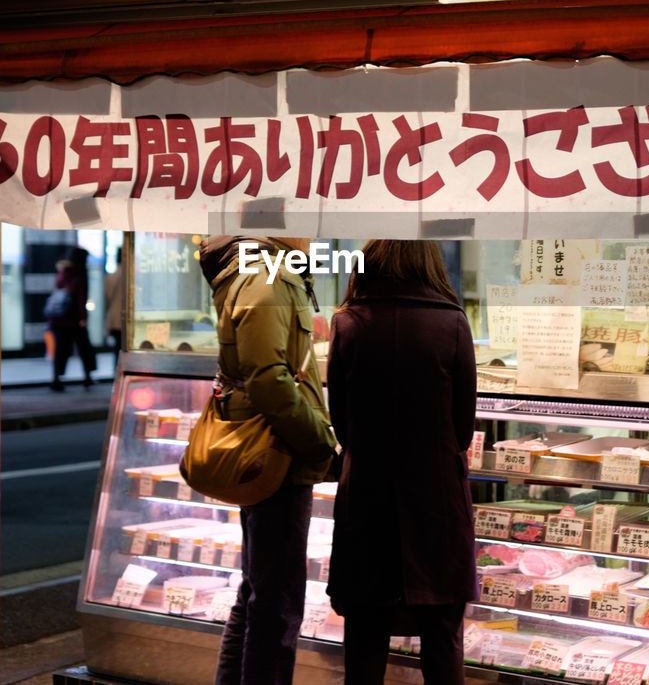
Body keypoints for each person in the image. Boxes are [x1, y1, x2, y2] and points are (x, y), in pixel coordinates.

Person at [326, 240, 477, 684]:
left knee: (365, 638)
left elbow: (342, 425)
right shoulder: (452, 323)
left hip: (367, 501)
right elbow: (462, 430)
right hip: (436, 503)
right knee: (442, 636)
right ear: (430, 263)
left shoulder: (347, 323)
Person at [197, 235, 337, 685]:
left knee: (259, 592)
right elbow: (269, 378)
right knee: (276, 602)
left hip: (272, 448)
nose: (317, 233)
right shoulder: (266, 277)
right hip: (275, 452)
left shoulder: (265, 271)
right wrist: (319, 444)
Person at [47, 246, 96, 392]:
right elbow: (81, 298)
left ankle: (57, 378)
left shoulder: (62, 272)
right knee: (84, 348)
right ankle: (88, 376)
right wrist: (83, 318)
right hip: (73, 320)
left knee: (61, 350)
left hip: (58, 319)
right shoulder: (79, 274)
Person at [104, 246, 126, 352]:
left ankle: (116, 368)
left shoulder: (110, 276)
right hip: (125, 318)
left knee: (117, 348)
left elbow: (107, 300)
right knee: (124, 347)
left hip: (113, 319)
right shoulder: (129, 276)